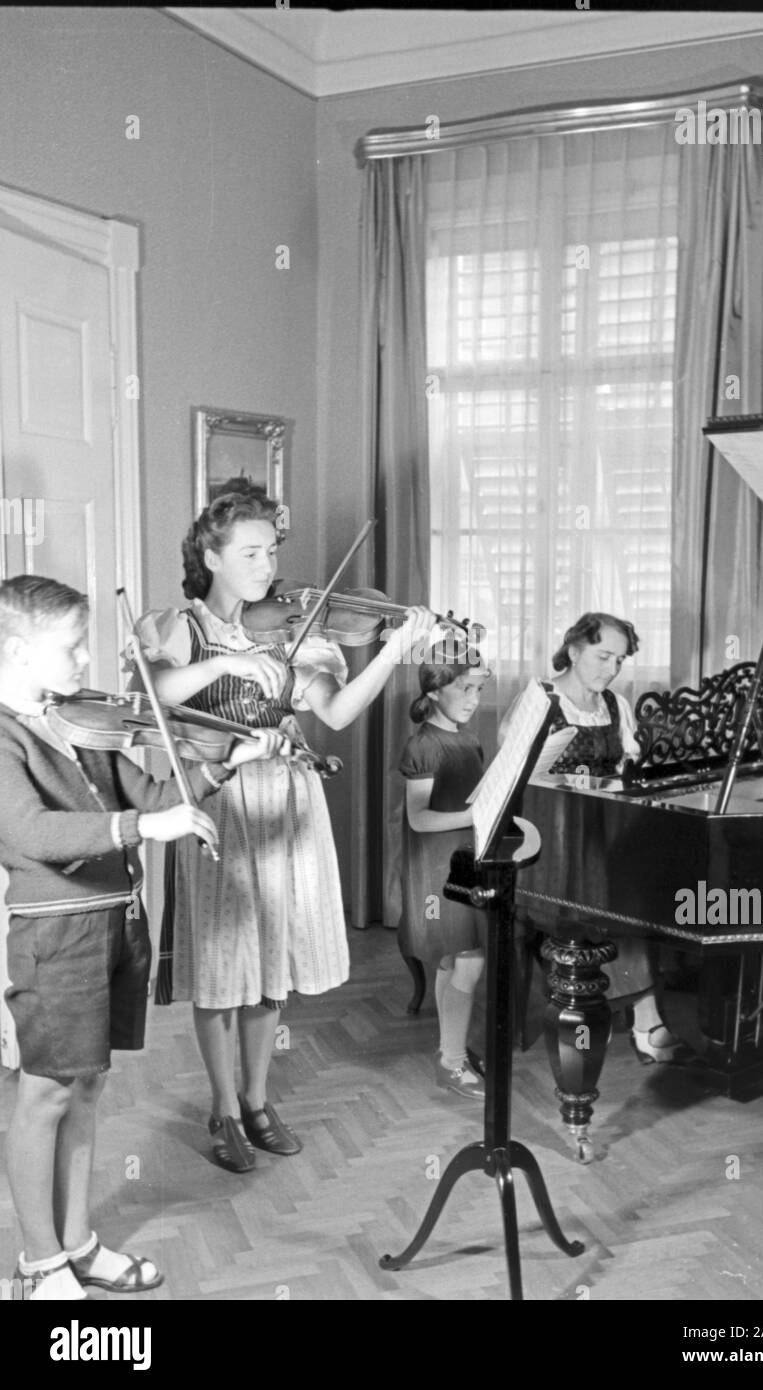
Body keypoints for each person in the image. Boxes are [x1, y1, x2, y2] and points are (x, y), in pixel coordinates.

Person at [136, 481, 436, 1171]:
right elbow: (150, 692)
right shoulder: (179, 627)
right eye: (249, 552)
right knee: (221, 966)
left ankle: (257, 1098)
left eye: (271, 551)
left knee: (270, 964)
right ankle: (222, 1107)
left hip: (289, 802)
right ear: (210, 556)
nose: (267, 567)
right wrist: (225, 661)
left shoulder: (292, 630)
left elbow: (333, 713)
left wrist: (395, 649)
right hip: (219, 805)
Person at [0, 575, 277, 1300]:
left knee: (85, 1090)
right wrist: (143, 828)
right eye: (70, 648)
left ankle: (77, 1244)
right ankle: (38, 1265)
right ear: (15, 650)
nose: (86, 661)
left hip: (119, 922)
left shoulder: (77, 721)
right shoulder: (1, 734)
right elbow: (32, 833)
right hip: (58, 935)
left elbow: (157, 797)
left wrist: (222, 762)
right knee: (43, 1098)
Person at [516, 611, 689, 1064]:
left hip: (603, 835)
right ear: (574, 651)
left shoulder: (615, 705)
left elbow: (627, 771)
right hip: (553, 842)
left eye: (619, 661)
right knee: (613, 903)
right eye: (602, 656)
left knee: (639, 891)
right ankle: (642, 1023)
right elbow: (515, 777)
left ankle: (646, 1020)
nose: (611, 670)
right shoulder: (541, 698)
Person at [399, 644, 491, 1098]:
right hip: (439, 869)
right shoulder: (424, 745)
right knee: (471, 958)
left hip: (464, 861)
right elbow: (419, 818)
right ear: (435, 691)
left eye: (479, 688)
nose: (474, 699)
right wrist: (479, 816)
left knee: (456, 958)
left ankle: (447, 1050)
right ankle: (452, 1062)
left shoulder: (467, 739)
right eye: (465, 688)